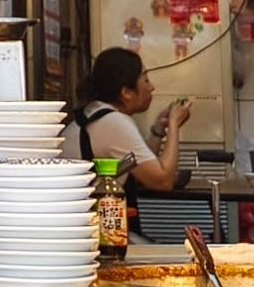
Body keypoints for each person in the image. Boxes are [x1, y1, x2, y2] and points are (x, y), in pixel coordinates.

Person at [75, 47, 190, 193]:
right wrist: (174, 124)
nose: (152, 87)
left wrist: (158, 130)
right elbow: (163, 181)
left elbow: (142, 168)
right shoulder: (114, 122)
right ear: (126, 93)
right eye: (146, 80)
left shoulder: (97, 112)